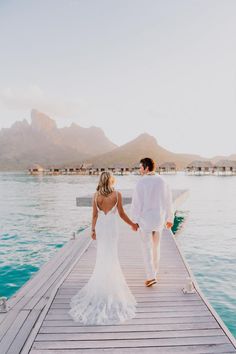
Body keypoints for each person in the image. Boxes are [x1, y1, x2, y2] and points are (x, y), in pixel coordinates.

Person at [69, 171, 138, 325]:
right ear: (111, 180)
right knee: (112, 255)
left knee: (102, 256)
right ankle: (111, 283)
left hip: (101, 228)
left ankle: (102, 283)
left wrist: (92, 230)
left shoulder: (96, 196)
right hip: (112, 228)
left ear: (101, 180)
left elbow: (94, 215)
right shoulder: (117, 194)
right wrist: (132, 224)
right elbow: (121, 213)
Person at [131, 157, 174, 287]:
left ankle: (151, 276)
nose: (139, 169)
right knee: (156, 247)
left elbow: (136, 204)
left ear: (146, 167)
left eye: (140, 167)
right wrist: (170, 218)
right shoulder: (163, 180)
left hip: (145, 221)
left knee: (147, 248)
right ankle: (154, 272)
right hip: (158, 220)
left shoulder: (141, 183)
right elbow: (168, 200)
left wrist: (135, 221)